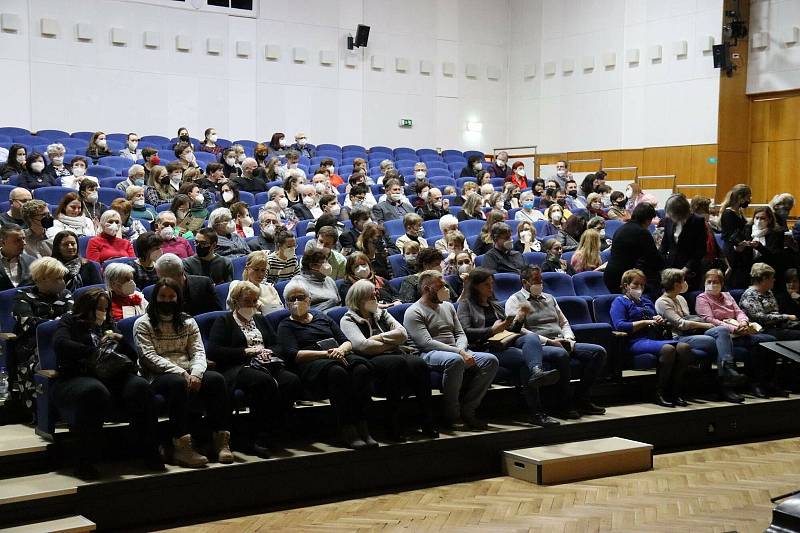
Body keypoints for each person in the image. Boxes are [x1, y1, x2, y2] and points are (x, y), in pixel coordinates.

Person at [52, 288, 162, 477]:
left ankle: (149, 451)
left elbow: (131, 356)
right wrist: (93, 350)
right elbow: (60, 345)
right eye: (98, 308)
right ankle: (84, 461)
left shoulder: (109, 324)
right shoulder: (69, 321)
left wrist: (120, 340)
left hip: (110, 374)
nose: (102, 312)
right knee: (95, 391)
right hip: (77, 375)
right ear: (87, 307)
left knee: (141, 387)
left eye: (105, 308)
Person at [134, 279, 232, 467]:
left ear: (178, 298)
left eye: (172, 296)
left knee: (217, 380)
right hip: (157, 375)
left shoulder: (188, 321)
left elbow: (198, 352)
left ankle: (219, 440)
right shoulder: (143, 324)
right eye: (163, 296)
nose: (167, 300)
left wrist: (196, 373)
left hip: (189, 370)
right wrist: (181, 373)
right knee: (177, 384)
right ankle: (182, 446)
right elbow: (148, 357)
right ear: (155, 298)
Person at [278, 283, 378, 449]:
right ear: (286, 303)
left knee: (361, 369)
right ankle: (347, 428)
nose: (297, 302)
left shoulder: (321, 317)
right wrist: (327, 354)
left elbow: (346, 341)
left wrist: (340, 350)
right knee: (336, 372)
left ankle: (363, 424)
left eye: (301, 298)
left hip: (338, 354)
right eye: (292, 299)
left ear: (309, 300)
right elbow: (293, 355)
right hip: (312, 362)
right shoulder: (285, 325)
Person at [208, 281, 301, 457]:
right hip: (238, 367)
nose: (251, 305)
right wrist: (245, 351)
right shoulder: (224, 321)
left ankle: (275, 430)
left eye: (254, 301)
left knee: (291, 381)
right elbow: (214, 350)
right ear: (235, 301)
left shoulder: (260, 319)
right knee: (263, 382)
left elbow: (277, 345)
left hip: (266, 363)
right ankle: (258, 437)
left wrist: (268, 352)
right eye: (247, 301)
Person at [457, 269, 561, 426]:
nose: (491, 288)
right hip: (483, 348)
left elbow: (511, 330)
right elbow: (465, 332)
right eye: (486, 284)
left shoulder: (495, 305)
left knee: (531, 337)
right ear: (476, 286)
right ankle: (537, 412)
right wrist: (491, 330)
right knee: (525, 361)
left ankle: (536, 372)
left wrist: (519, 319)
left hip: (503, 344)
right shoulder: (465, 305)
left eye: (492, 284)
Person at [339, 280, 437, 440]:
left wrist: (377, 337)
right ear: (360, 298)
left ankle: (427, 420)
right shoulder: (348, 319)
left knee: (420, 364)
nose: (376, 295)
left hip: (392, 353)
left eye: (375, 292)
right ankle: (392, 423)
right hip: (370, 358)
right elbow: (362, 346)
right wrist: (391, 343)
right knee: (398, 364)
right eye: (371, 294)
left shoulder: (381, 313)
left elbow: (403, 334)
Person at [505, 266, 606, 419]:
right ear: (525, 282)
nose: (540, 284)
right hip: (539, 345)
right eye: (535, 281)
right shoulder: (514, 300)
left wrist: (569, 338)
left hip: (562, 340)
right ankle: (562, 405)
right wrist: (550, 342)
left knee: (598, 352)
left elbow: (563, 322)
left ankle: (581, 398)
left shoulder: (550, 298)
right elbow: (519, 331)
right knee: (560, 354)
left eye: (541, 280)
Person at [403, 270, 498, 429]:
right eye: (440, 286)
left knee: (490, 361)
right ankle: (452, 415)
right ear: (427, 289)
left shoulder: (448, 306)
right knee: (455, 360)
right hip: (428, 354)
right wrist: (459, 352)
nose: (445, 289)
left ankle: (468, 409)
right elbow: (426, 343)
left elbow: (460, 333)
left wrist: (461, 348)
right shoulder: (413, 311)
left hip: (455, 350)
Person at [655, 269, 748, 403]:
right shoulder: (662, 302)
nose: (685, 283)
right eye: (683, 281)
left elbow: (690, 318)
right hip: (679, 337)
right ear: (676, 285)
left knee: (722, 331)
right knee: (720, 341)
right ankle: (725, 382)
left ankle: (727, 370)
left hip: (695, 332)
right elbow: (681, 324)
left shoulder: (680, 298)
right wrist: (706, 325)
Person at [610, 269, 693, 407]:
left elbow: (656, 320)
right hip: (633, 341)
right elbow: (620, 326)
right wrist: (646, 322)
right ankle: (659, 392)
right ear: (626, 286)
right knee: (668, 349)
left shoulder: (646, 301)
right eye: (636, 284)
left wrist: (659, 320)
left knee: (684, 348)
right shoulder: (619, 302)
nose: (640, 288)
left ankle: (675, 391)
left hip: (653, 338)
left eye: (642, 285)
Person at [696, 268, 781, 398]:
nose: (712, 284)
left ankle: (760, 383)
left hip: (739, 331)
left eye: (716, 281)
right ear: (704, 283)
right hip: (716, 332)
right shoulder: (702, 298)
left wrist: (743, 323)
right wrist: (733, 328)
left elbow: (739, 312)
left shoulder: (728, 296)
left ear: (722, 283)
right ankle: (727, 384)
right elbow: (709, 319)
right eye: (709, 281)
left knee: (769, 340)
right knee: (724, 333)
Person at [10, 257, 73, 417]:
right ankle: (45, 412)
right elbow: (29, 323)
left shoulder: (65, 294)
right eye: (57, 278)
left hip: (62, 342)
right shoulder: (23, 296)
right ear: (43, 279)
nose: (62, 282)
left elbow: (73, 319)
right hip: (32, 346)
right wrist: (58, 323)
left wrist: (54, 324)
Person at [604, 203, 664, 295]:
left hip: (611, 275)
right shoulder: (642, 232)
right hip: (625, 278)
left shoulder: (621, 228)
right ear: (648, 219)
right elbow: (655, 259)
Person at [740, 262, 800, 341]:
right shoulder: (750, 295)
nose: (774, 280)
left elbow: (775, 312)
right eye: (772, 277)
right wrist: (787, 316)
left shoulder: (768, 292)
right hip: (762, 329)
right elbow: (761, 317)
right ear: (764, 278)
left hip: (778, 326)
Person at [659, 193, 707, 291]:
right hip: (671, 268)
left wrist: (685, 269)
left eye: (672, 214)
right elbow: (664, 245)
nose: (669, 216)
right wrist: (662, 267)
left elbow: (700, 251)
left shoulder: (698, 222)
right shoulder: (669, 220)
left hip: (690, 269)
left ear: (680, 213)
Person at [154, 252, 221, 316]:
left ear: (181, 273)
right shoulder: (157, 291)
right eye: (160, 278)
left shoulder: (204, 284)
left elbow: (217, 314)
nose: (164, 282)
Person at [719, 185, 757, 288]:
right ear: (740, 197)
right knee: (735, 281)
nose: (749, 200)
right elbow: (732, 235)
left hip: (741, 249)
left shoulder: (739, 212)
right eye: (748, 197)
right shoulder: (728, 213)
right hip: (733, 251)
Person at [227, 251, 283, 315]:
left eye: (263, 270)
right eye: (256, 269)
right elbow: (234, 309)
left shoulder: (270, 288)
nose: (260, 274)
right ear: (247, 268)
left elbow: (281, 310)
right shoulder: (237, 285)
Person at [0, 223, 35, 290]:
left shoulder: (32, 262)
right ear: (3, 243)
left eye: (23, 238)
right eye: (18, 240)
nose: (24, 243)